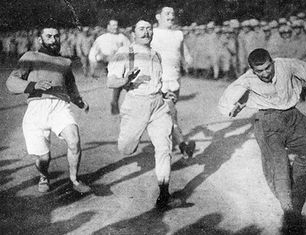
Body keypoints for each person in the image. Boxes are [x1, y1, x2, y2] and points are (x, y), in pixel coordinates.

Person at [218, 48, 306, 224]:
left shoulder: (286, 65)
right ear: (253, 70)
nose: (265, 73)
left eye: (267, 68)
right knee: (280, 165)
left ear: (272, 62)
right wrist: (231, 108)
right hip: (267, 121)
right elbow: (227, 98)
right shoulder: (248, 79)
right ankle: (289, 211)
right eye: (259, 71)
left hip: (292, 115)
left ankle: (289, 184)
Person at [5, 25, 91, 194]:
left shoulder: (65, 62)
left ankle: (75, 180)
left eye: (56, 36)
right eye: (49, 36)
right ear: (40, 39)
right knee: (43, 158)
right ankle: (44, 176)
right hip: (36, 107)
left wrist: (80, 102)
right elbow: (11, 83)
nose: (53, 40)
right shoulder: (30, 56)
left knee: (74, 140)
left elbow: (71, 87)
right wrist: (34, 85)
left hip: (59, 107)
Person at [107, 20, 182, 208]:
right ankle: (132, 137)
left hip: (158, 105)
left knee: (164, 148)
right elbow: (111, 82)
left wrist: (166, 93)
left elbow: (159, 80)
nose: (146, 32)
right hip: (135, 105)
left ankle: (164, 195)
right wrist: (126, 79)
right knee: (126, 149)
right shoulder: (124, 53)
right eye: (141, 29)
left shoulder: (156, 54)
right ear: (133, 33)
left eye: (149, 29)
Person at [151, 6, 195, 158]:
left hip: (175, 79)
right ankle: (183, 147)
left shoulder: (178, 34)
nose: (171, 16)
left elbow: (184, 52)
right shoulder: (152, 33)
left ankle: (170, 142)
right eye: (167, 13)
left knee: (168, 115)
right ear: (158, 16)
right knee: (170, 113)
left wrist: (188, 59)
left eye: (173, 13)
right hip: (159, 80)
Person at [88, 19, 130, 114]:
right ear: (108, 26)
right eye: (113, 25)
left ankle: (115, 101)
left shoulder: (122, 37)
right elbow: (93, 52)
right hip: (104, 63)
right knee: (107, 85)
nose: (115, 27)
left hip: (118, 63)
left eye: (116, 25)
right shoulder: (102, 38)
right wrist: (93, 65)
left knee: (119, 81)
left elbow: (129, 48)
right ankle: (102, 107)